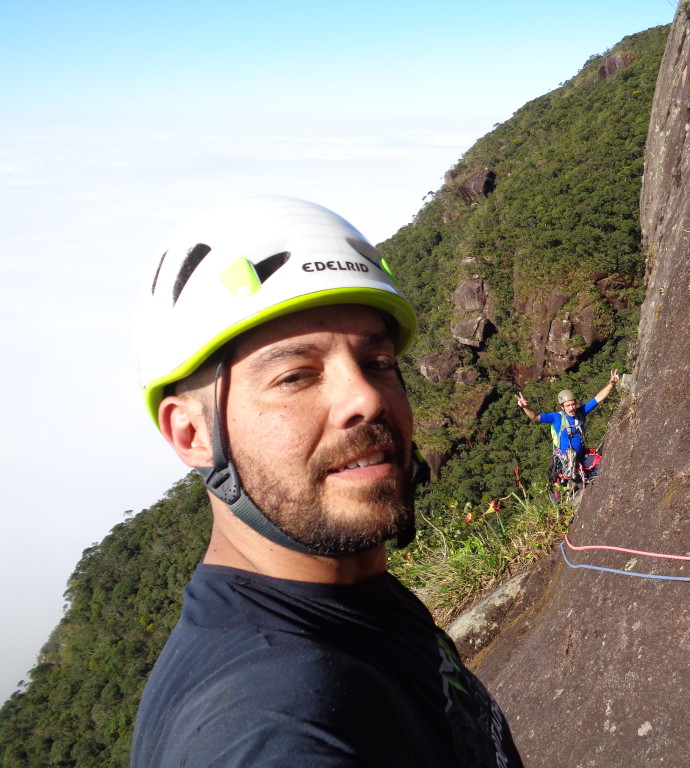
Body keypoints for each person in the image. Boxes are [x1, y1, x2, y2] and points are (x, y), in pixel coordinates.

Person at [129, 197, 523, 768]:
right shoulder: (271, 721)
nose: (365, 397)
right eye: (295, 376)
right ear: (192, 434)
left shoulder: (351, 595)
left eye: (379, 362)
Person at [515, 370, 619, 490]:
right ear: (562, 407)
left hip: (580, 455)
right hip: (568, 462)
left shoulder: (581, 412)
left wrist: (611, 384)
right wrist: (525, 407)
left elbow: (597, 398)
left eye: (573, 404)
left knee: (602, 466)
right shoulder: (556, 418)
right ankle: (575, 481)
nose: (571, 408)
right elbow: (536, 417)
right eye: (568, 405)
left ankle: (581, 478)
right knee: (583, 483)